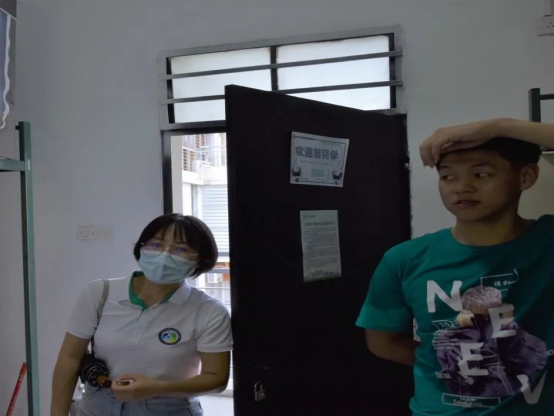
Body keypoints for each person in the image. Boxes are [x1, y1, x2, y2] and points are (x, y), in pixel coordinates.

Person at [356, 118, 554, 415]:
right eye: (448, 176)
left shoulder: (547, 243)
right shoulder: (405, 259)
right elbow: (383, 342)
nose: (462, 187)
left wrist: (497, 127)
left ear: (526, 177)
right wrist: (455, 363)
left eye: (481, 174)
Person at [51, 214, 233, 416]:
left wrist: (159, 388)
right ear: (141, 248)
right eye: (156, 244)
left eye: (180, 249)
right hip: (96, 405)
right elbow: (70, 358)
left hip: (168, 408)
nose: (165, 254)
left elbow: (216, 378)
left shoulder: (209, 310)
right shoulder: (99, 293)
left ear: (199, 260)